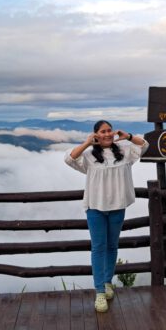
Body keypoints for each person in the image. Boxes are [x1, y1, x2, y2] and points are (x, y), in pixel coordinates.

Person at [64, 120, 149, 313]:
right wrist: (88, 142)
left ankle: (108, 282)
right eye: (102, 131)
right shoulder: (89, 156)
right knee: (98, 247)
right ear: (96, 134)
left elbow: (144, 145)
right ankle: (100, 291)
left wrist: (127, 136)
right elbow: (69, 158)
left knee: (112, 246)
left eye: (109, 130)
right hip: (95, 207)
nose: (107, 134)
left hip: (118, 206)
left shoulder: (124, 151)